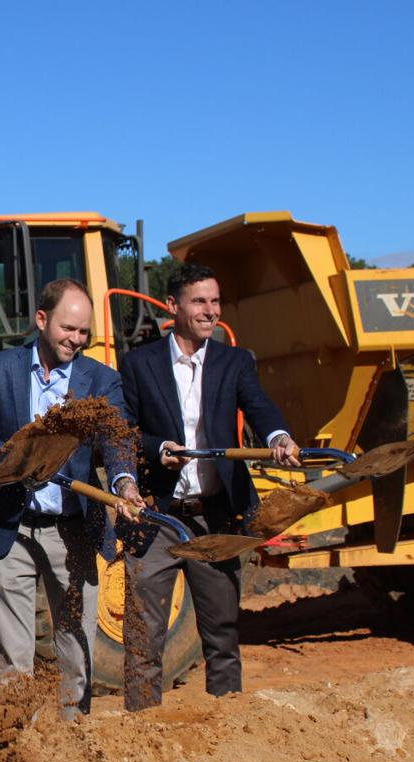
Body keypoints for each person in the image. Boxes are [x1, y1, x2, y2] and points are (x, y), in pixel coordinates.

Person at [120, 262, 301, 709]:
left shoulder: (234, 361)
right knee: (144, 639)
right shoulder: (139, 363)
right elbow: (123, 431)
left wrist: (278, 437)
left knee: (222, 635)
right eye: (199, 301)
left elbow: (259, 406)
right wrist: (157, 447)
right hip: (157, 517)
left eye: (215, 301)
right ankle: (140, 732)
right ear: (173, 306)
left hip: (215, 517)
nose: (210, 311)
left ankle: (228, 725)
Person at [0, 278, 143, 718]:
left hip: (71, 531)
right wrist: (16, 455)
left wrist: (124, 483)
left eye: (83, 331)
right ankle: (20, 743)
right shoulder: (3, 368)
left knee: (76, 649)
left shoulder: (101, 380)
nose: (76, 339)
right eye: (68, 328)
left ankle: (74, 739)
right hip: (10, 526)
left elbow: (117, 439)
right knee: (13, 658)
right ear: (41, 319)